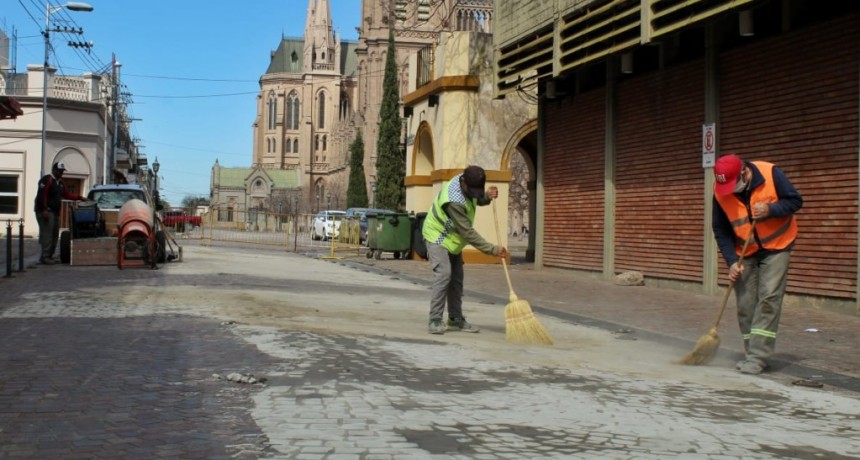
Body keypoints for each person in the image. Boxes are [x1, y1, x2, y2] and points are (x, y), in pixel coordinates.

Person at [712, 154, 802, 375]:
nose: (731, 190)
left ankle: (758, 358)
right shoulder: (720, 190)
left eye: (734, 184)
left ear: (744, 172)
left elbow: (795, 201)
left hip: (778, 245)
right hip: (745, 250)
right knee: (745, 303)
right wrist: (731, 262)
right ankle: (751, 352)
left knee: (769, 298)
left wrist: (771, 210)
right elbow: (721, 229)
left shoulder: (771, 173)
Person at [422, 165, 507, 334]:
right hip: (437, 236)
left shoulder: (468, 182)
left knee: (457, 279)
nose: (475, 194)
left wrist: (487, 197)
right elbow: (467, 232)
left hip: (453, 241)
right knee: (444, 274)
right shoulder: (453, 200)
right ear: (464, 183)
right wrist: (491, 250)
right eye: (473, 191)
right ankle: (435, 320)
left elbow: (475, 199)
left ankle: (455, 319)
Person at [34, 162, 88, 264]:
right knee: (47, 234)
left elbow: (67, 194)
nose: (61, 173)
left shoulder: (60, 183)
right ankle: (45, 256)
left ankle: (50, 255)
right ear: (54, 171)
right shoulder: (47, 180)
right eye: (59, 171)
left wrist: (79, 197)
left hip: (55, 212)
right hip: (46, 211)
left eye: (62, 171)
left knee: (54, 234)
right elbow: (42, 194)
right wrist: (44, 209)